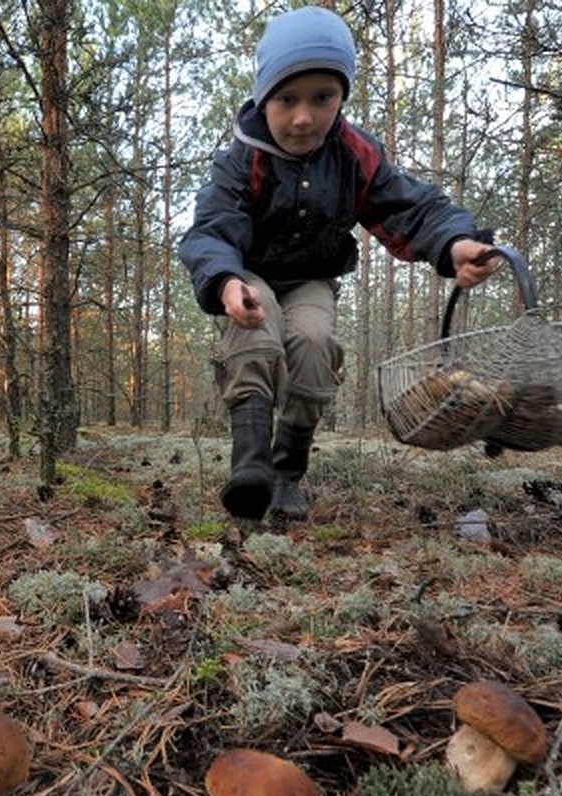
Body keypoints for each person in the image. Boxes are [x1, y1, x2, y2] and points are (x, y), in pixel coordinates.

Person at [179, 5, 499, 522]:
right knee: (257, 339)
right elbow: (213, 227)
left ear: (341, 97)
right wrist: (225, 282)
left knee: (313, 346)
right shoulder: (242, 157)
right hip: (248, 272)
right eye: (287, 99)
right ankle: (251, 469)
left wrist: (455, 243)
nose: (303, 117)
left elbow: (410, 207)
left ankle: (286, 474)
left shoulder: (353, 154)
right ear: (265, 98)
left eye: (322, 98)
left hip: (310, 278)